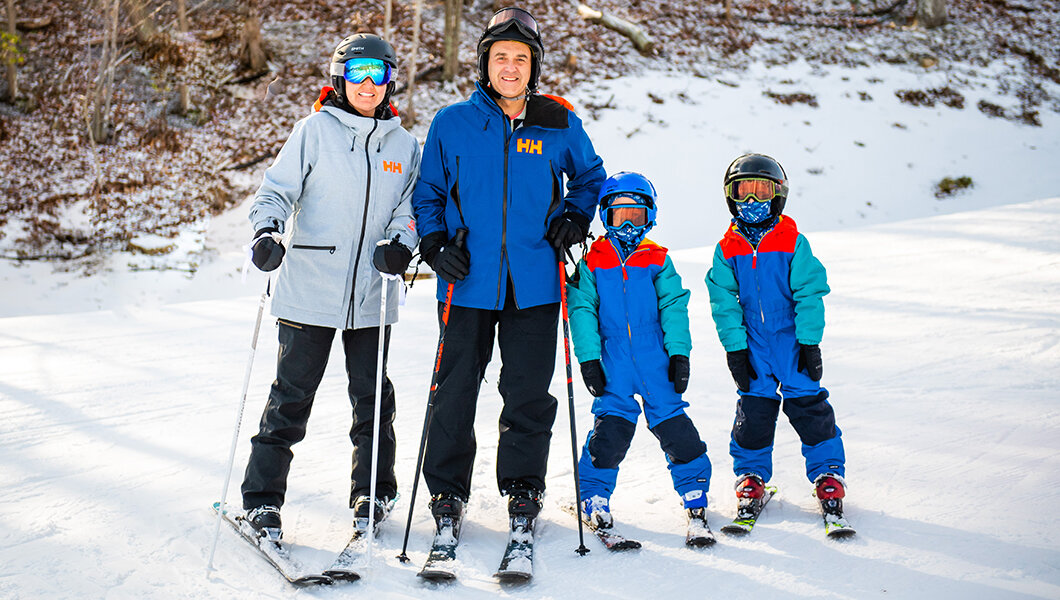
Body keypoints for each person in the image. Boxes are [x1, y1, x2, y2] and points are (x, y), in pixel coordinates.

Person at [410, 6, 605, 542]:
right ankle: (447, 493)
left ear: (534, 65)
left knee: (527, 394)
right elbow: (427, 193)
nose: (511, 67)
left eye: (522, 58)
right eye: (502, 57)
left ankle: (523, 490)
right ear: (485, 63)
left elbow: (591, 178)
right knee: (453, 392)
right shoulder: (452, 123)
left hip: (536, 282)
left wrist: (575, 214)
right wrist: (432, 244)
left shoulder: (558, 119)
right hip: (466, 280)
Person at [239, 33, 421, 541]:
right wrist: (266, 231)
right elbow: (275, 192)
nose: (368, 84)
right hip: (309, 289)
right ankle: (261, 501)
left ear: (390, 82)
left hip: (373, 290)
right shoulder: (313, 131)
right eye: (358, 73)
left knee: (373, 400)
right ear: (340, 78)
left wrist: (402, 243)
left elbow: (412, 211)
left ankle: (374, 492)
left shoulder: (405, 146)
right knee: (290, 399)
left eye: (378, 74)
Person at [567, 172, 714, 545]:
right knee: (612, 433)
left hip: (655, 361)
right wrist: (588, 359)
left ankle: (695, 494)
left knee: (676, 430)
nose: (628, 224)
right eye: (619, 216)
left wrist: (679, 354)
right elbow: (582, 309)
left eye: (636, 214)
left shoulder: (657, 259)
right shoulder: (592, 261)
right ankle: (594, 496)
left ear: (650, 217)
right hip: (613, 362)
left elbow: (673, 306)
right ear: (605, 217)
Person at [704, 153, 849, 529]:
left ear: (778, 195)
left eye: (760, 191)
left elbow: (809, 292)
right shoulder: (727, 249)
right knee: (754, 413)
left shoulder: (792, 242)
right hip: (753, 343)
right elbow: (723, 300)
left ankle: (828, 474)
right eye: (743, 192)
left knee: (810, 409)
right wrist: (736, 348)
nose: (751, 202)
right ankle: (751, 477)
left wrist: (809, 342)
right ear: (730, 196)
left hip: (791, 341)